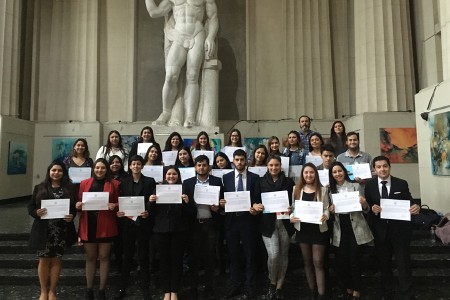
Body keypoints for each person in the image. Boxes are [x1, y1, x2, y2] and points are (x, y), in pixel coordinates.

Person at [145, 0, 219, 128]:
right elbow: (154, 12)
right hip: (178, 35)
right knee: (170, 76)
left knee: (192, 76)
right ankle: (166, 112)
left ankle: (190, 116)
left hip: (197, 34)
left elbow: (213, 17)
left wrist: (211, 37)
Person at [364, 156, 420, 300]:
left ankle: (407, 294)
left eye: (385, 166)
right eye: (379, 167)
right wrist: (372, 208)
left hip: (400, 231)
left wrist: (416, 206)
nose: (382, 169)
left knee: (403, 264)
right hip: (380, 231)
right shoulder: (369, 185)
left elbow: (410, 201)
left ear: (389, 167)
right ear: (374, 169)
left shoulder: (401, 183)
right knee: (384, 264)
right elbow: (368, 205)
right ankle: (387, 293)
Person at [28, 161, 77, 300]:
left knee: (56, 260)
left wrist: (72, 215)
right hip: (43, 230)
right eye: (54, 170)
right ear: (49, 172)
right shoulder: (39, 187)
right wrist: (36, 212)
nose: (56, 173)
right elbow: (30, 207)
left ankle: (52, 291)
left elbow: (73, 208)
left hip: (61, 230)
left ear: (63, 173)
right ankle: (43, 291)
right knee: (43, 260)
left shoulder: (69, 188)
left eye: (60, 170)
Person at [148, 166, 196, 300]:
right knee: (164, 262)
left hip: (179, 230)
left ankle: (174, 291)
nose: (171, 176)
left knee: (177, 261)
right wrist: (151, 202)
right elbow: (150, 213)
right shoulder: (158, 188)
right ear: (164, 176)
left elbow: (192, 212)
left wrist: (187, 202)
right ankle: (166, 291)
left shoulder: (184, 188)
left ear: (178, 176)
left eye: (174, 174)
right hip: (160, 230)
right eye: (168, 174)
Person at [327, 161, 373, 300]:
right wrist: (331, 211)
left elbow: (366, 209)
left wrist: (364, 203)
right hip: (339, 228)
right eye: (334, 172)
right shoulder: (329, 190)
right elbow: (327, 212)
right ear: (331, 174)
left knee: (354, 260)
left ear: (344, 172)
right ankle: (348, 287)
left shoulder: (355, 186)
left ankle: (357, 290)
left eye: (340, 171)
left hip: (355, 226)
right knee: (342, 261)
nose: (338, 174)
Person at [220, 149, 261, 300]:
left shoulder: (255, 178)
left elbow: (257, 199)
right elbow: (223, 198)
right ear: (233, 161)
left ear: (246, 161)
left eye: (242, 160)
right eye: (236, 160)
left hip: (248, 220)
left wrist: (256, 207)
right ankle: (235, 284)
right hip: (232, 221)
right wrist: (222, 203)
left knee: (250, 254)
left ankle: (250, 286)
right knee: (233, 254)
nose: (239, 162)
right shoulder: (226, 177)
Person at [253, 155, 295, 300]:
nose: (274, 168)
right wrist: (256, 205)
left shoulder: (289, 182)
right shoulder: (260, 181)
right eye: (271, 165)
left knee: (283, 255)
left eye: (276, 165)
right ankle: (272, 282)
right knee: (274, 255)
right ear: (267, 166)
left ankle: (279, 286)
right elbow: (255, 201)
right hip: (267, 224)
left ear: (280, 166)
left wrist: (292, 208)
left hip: (285, 223)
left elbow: (294, 200)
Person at [76, 158, 119, 300]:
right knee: (90, 257)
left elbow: (120, 203)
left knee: (105, 257)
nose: (99, 170)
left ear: (107, 169)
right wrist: (78, 205)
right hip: (89, 224)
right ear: (93, 169)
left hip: (106, 224)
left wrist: (115, 206)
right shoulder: (84, 183)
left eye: (102, 168)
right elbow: (79, 203)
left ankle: (101, 290)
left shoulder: (114, 184)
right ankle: (89, 289)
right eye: (97, 168)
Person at [183, 155, 224, 299]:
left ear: (209, 167)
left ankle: (209, 289)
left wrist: (218, 208)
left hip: (210, 224)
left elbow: (222, 204)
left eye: (204, 165)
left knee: (209, 259)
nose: (202, 167)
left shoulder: (217, 181)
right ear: (195, 166)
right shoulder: (187, 183)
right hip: (194, 225)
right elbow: (184, 208)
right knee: (193, 259)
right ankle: (193, 289)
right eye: (199, 165)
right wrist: (187, 203)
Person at [116, 155, 156, 300]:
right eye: (133, 164)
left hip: (144, 224)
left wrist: (148, 212)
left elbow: (153, 202)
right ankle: (122, 288)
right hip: (128, 224)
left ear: (142, 166)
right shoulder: (123, 182)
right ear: (130, 166)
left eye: (139, 164)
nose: (136, 166)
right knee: (127, 257)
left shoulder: (150, 182)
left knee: (144, 257)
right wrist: (119, 212)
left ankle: (146, 289)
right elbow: (120, 201)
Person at [290, 163, 330, 300]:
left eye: (311, 172)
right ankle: (312, 291)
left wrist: (326, 215)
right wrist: (291, 217)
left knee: (318, 262)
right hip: (303, 230)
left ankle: (321, 294)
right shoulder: (296, 189)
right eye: (306, 173)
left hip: (319, 230)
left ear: (315, 174)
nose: (308, 175)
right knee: (307, 262)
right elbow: (293, 208)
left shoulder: (323, 190)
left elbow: (326, 208)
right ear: (302, 174)